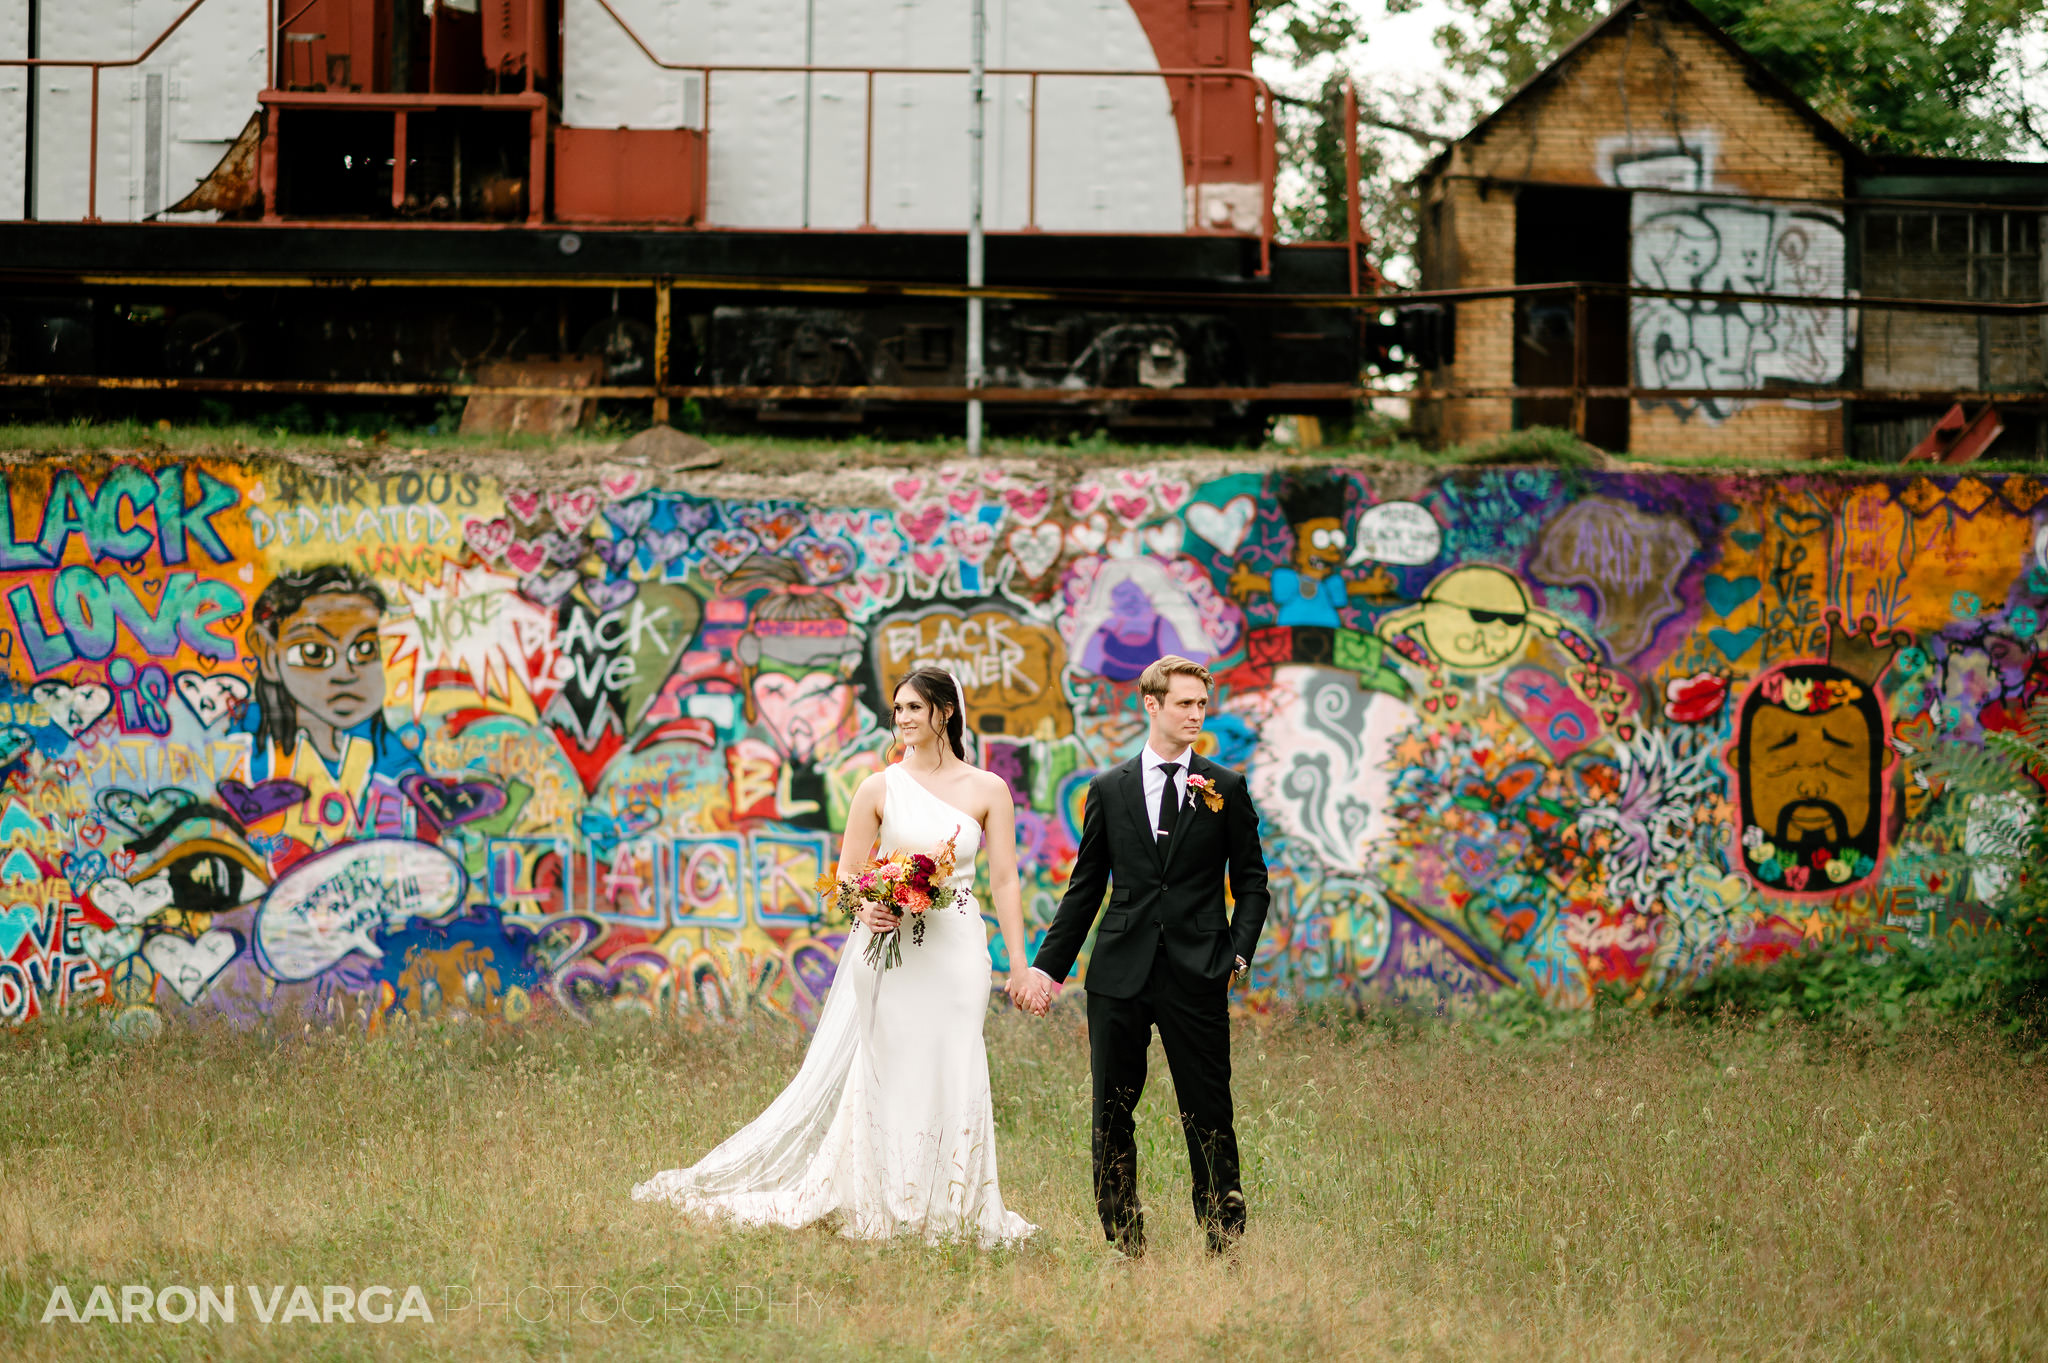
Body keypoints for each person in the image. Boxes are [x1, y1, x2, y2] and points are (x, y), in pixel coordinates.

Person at [632, 667, 1039, 1246]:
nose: (901, 719)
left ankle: (956, 1204)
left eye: (913, 709)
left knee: (957, 1062)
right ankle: (886, 1200)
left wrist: (1019, 963)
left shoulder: (987, 789)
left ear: (945, 712)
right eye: (897, 709)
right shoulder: (879, 788)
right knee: (891, 1066)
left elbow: (1004, 879)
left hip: (958, 952)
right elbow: (848, 877)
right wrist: (866, 909)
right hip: (892, 950)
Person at [1013, 654, 1271, 1260]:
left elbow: (1253, 882)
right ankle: (1125, 1241)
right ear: (1151, 705)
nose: (1195, 715)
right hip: (1119, 975)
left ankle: (1222, 1242)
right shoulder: (1108, 789)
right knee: (1112, 1112)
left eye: (1202, 704)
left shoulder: (1226, 788)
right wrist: (1047, 970)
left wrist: (1236, 954)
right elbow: (1086, 888)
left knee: (1208, 1111)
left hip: (1198, 971)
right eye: (1184, 703)